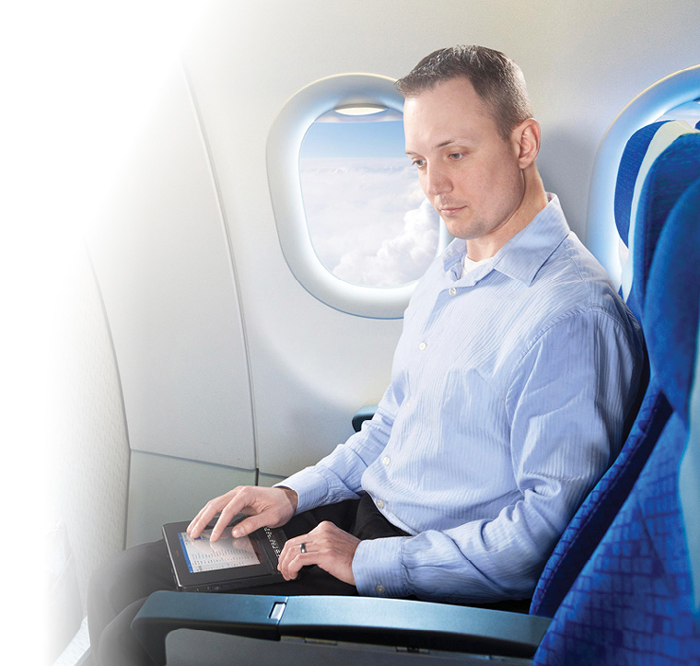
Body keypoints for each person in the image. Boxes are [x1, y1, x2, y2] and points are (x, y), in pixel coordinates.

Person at [88, 45, 643, 665]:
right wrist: (292, 497)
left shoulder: (570, 318)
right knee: (119, 578)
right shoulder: (455, 266)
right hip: (360, 520)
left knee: (133, 626)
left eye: (456, 154)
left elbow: (541, 537)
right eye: (418, 160)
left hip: (421, 580)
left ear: (523, 143)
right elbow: (390, 426)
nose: (433, 186)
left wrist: (368, 561)